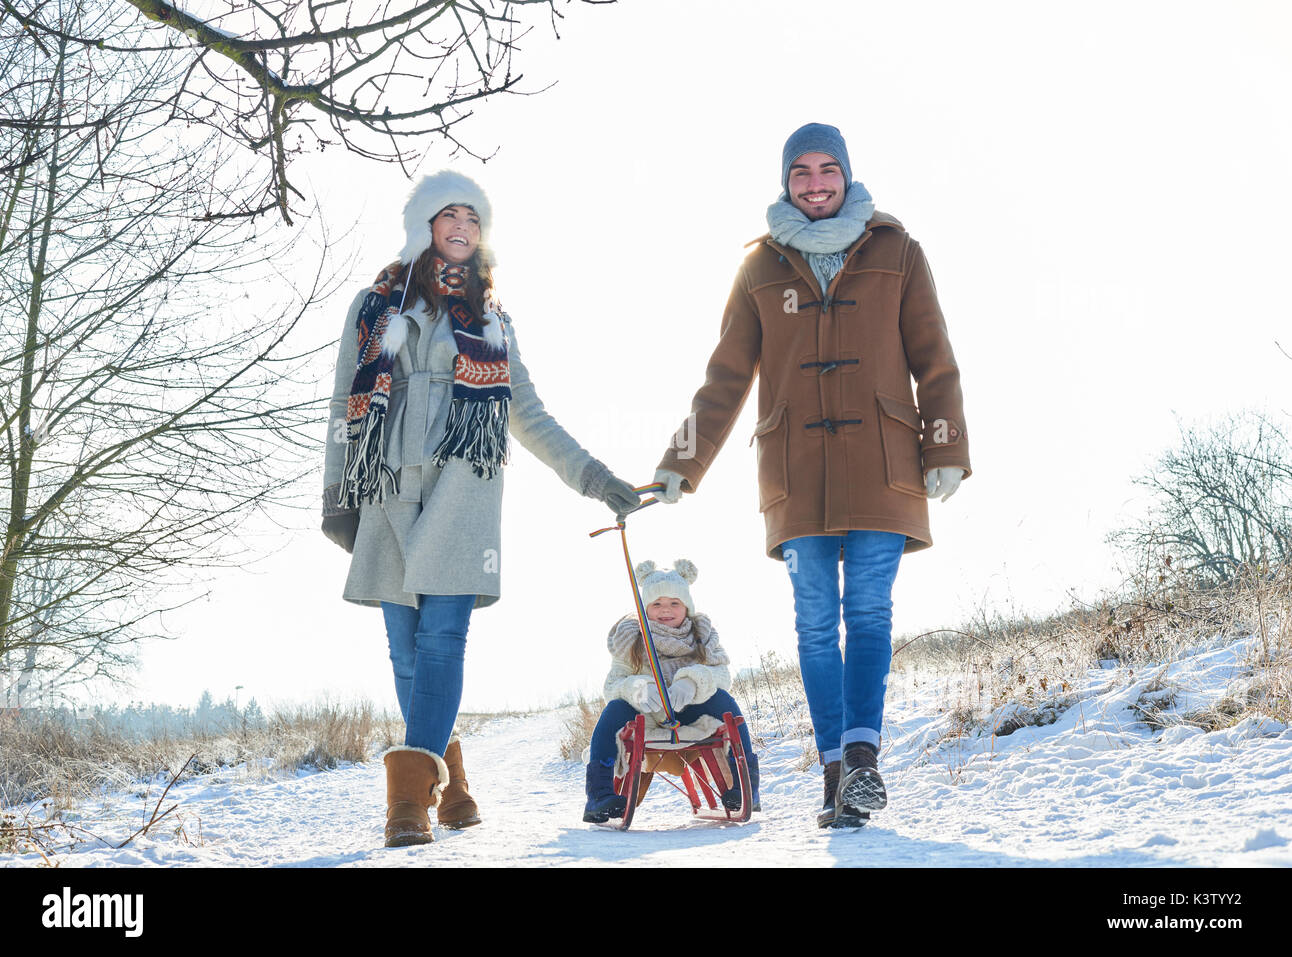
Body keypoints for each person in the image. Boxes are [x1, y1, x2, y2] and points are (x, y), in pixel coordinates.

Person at [651, 123, 971, 828]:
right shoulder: (759, 265)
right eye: (802, 171)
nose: (817, 182)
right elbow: (726, 376)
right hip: (794, 471)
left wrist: (945, 445)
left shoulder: (897, 249)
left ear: (848, 175)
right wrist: (682, 461)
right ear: (786, 181)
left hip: (886, 464)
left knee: (868, 611)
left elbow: (935, 358)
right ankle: (835, 772)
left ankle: (862, 757)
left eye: (829, 168)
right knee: (816, 624)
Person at [321, 170, 641, 847]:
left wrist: (594, 475)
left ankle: (407, 804)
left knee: (443, 638)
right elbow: (341, 411)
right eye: (449, 214)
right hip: (388, 488)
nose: (461, 225)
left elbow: (528, 412)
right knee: (404, 650)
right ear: (424, 226)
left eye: (473, 216)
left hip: (463, 494)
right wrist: (339, 497)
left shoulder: (495, 321)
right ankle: (450, 779)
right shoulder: (372, 307)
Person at [583, 559, 760, 823]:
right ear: (645, 608)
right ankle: (599, 795)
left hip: (690, 713)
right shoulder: (630, 637)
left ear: (686, 606)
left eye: (674, 603)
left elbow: (722, 675)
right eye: (656, 604)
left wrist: (692, 682)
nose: (665, 610)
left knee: (724, 701)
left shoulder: (702, 634)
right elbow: (613, 685)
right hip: (646, 714)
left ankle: (746, 786)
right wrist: (637, 689)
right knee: (612, 710)